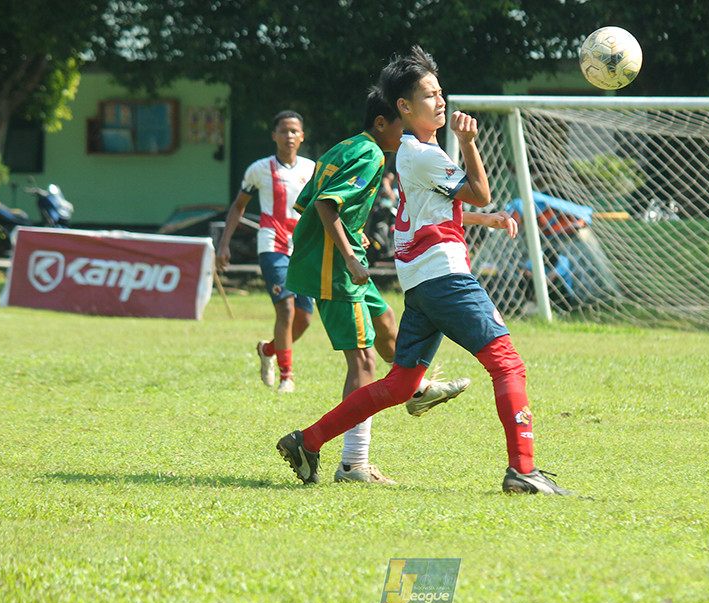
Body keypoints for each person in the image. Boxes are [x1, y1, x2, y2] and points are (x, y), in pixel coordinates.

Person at [276, 46, 570, 495]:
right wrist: (469, 144)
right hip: (446, 278)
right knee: (507, 363)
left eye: (440, 92)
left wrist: (483, 219)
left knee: (401, 384)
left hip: (421, 285)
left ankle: (308, 440)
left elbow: (434, 211)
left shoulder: (412, 153)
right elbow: (480, 191)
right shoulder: (422, 154)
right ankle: (523, 471)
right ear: (405, 107)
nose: (440, 100)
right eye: (429, 95)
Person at [285, 88, 471, 484]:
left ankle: (416, 390)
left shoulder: (347, 146)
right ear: (382, 122)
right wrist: (348, 255)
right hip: (335, 267)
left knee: (386, 322)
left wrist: (353, 233)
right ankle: (352, 463)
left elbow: (308, 201)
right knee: (363, 363)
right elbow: (324, 204)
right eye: (405, 124)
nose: (410, 133)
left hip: (339, 256)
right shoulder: (370, 155)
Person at [217, 110, 315, 392]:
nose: (289, 136)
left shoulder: (312, 169)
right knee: (286, 308)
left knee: (304, 319)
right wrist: (224, 244)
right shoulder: (259, 169)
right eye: (283, 131)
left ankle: (268, 350)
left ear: (302, 136)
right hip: (272, 244)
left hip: (303, 247)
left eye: (294, 131)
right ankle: (287, 376)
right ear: (274, 136)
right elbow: (239, 206)